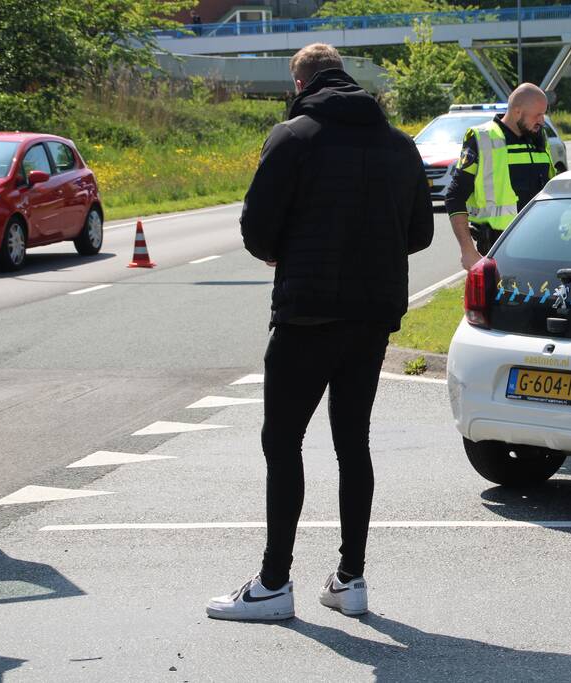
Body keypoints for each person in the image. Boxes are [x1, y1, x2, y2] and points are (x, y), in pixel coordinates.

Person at [207, 43, 433, 621]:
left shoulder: (293, 136)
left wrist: (290, 251)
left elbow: (257, 229)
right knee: (351, 442)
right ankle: (350, 580)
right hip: (374, 313)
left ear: (300, 81)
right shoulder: (400, 145)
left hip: (307, 311)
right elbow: (420, 234)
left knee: (282, 443)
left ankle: (273, 583)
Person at [445, 83, 557, 271]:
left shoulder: (538, 138)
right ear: (517, 111)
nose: (542, 120)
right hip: (499, 251)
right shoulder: (483, 138)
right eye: (537, 115)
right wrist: (467, 250)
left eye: (543, 114)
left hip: (541, 247)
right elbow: (454, 196)